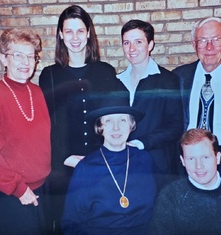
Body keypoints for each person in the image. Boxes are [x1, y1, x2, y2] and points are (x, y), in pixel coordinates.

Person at [39, 5, 122, 234]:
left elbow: (114, 120)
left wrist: (100, 157)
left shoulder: (105, 72)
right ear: (61, 35)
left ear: (88, 33)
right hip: (64, 168)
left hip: (102, 165)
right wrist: (65, 157)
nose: (75, 38)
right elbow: (48, 126)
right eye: (69, 31)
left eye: (80, 31)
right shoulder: (50, 75)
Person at [0, 28, 51, 235]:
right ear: (4, 59)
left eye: (30, 56)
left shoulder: (38, 92)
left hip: (42, 188)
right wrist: (19, 189)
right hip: (12, 194)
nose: (26, 62)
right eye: (18, 55)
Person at [61, 95, 157, 235]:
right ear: (100, 127)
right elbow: (71, 224)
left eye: (122, 120)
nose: (116, 127)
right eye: (109, 121)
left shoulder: (144, 159)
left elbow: (157, 212)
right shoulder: (86, 168)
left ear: (131, 125)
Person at [116, 19, 183, 188]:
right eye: (126, 43)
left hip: (157, 166)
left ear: (151, 44)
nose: (131, 49)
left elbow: (175, 126)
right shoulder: (117, 81)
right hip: (123, 165)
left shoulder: (168, 80)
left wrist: (140, 143)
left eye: (138, 42)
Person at [149, 128, 221, 235]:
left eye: (205, 157)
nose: (199, 166)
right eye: (191, 159)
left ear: (218, 157)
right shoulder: (170, 197)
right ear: (183, 161)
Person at [173, 17, 221, 146]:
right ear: (194, 45)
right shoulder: (178, 77)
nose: (209, 47)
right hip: (187, 157)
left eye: (216, 40)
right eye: (202, 41)